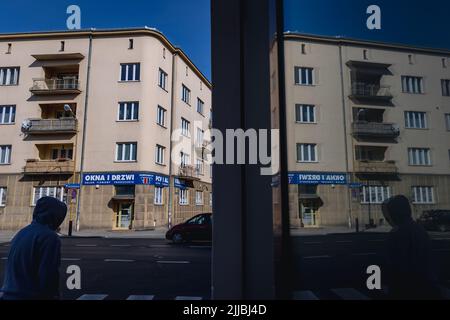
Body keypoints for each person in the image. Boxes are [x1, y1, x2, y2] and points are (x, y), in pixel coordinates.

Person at [1, 197, 67, 300]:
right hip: (29, 295)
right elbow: (48, 275)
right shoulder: (49, 237)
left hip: (9, 294)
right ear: (55, 216)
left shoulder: (22, 232)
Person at [382, 195, 441, 300]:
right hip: (426, 285)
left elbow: (396, 264)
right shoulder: (418, 229)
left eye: (388, 214)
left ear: (394, 213)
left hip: (407, 288)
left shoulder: (397, 233)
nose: (387, 218)